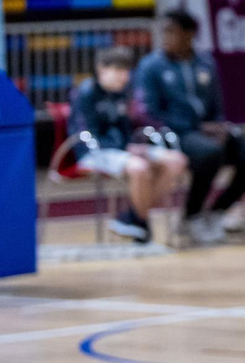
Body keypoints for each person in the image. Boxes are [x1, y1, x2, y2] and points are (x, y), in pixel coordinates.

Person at [136, 11, 245, 245]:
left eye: (171, 31)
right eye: (163, 31)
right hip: (175, 134)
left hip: (204, 134)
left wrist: (218, 127)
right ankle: (191, 216)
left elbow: (216, 107)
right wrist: (196, 127)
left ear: (190, 34)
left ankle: (217, 212)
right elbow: (148, 113)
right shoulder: (151, 67)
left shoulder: (205, 63)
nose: (165, 37)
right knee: (209, 153)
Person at [69, 46, 188, 244]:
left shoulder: (123, 93)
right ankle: (140, 223)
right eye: (118, 70)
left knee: (176, 161)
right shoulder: (85, 93)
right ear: (101, 69)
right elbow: (87, 136)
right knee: (139, 167)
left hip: (122, 151)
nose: (124, 76)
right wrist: (126, 150)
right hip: (93, 152)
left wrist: (134, 146)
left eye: (126, 71)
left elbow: (126, 130)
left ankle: (132, 216)